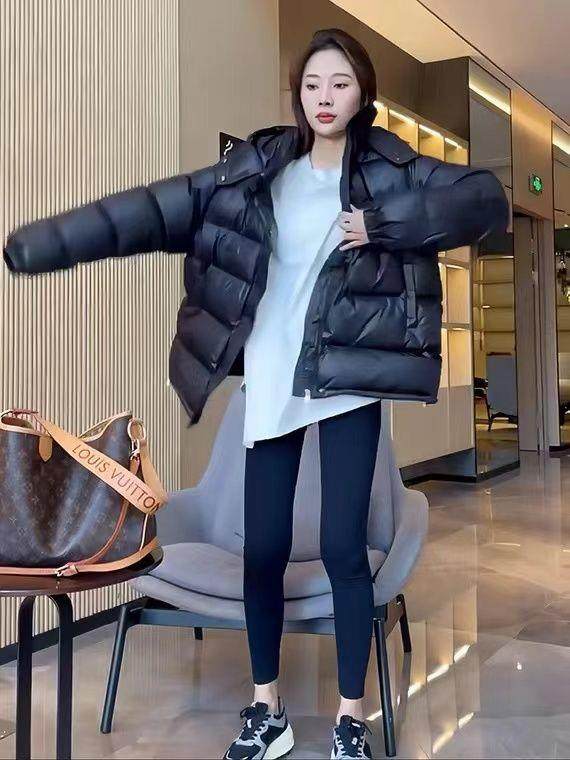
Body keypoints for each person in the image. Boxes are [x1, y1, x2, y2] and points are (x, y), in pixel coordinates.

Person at [3, 27, 509, 760]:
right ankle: (266, 709)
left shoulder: (392, 169)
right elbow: (153, 208)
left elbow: (484, 198)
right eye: (312, 84)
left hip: (348, 385)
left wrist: (382, 224)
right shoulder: (258, 167)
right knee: (263, 551)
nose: (324, 97)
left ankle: (350, 717)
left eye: (339, 84)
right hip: (271, 385)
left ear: (362, 93)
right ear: (298, 94)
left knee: (343, 550)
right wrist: (51, 242)